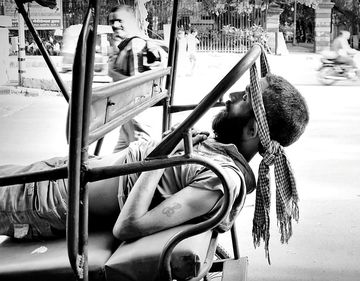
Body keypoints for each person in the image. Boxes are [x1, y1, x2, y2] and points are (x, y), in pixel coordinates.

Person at [0, 74, 309, 260]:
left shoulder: (220, 181)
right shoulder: (218, 155)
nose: (232, 97)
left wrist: (165, 153)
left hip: (46, 200)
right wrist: (168, 145)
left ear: (253, 131)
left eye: (244, 98)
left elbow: (128, 226)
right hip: (60, 175)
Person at [107, 5, 167, 153]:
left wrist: (113, 72)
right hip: (128, 113)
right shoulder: (126, 45)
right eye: (112, 22)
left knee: (141, 156)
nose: (115, 25)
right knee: (119, 156)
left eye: (120, 20)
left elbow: (137, 84)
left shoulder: (136, 44)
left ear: (132, 21)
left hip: (136, 112)